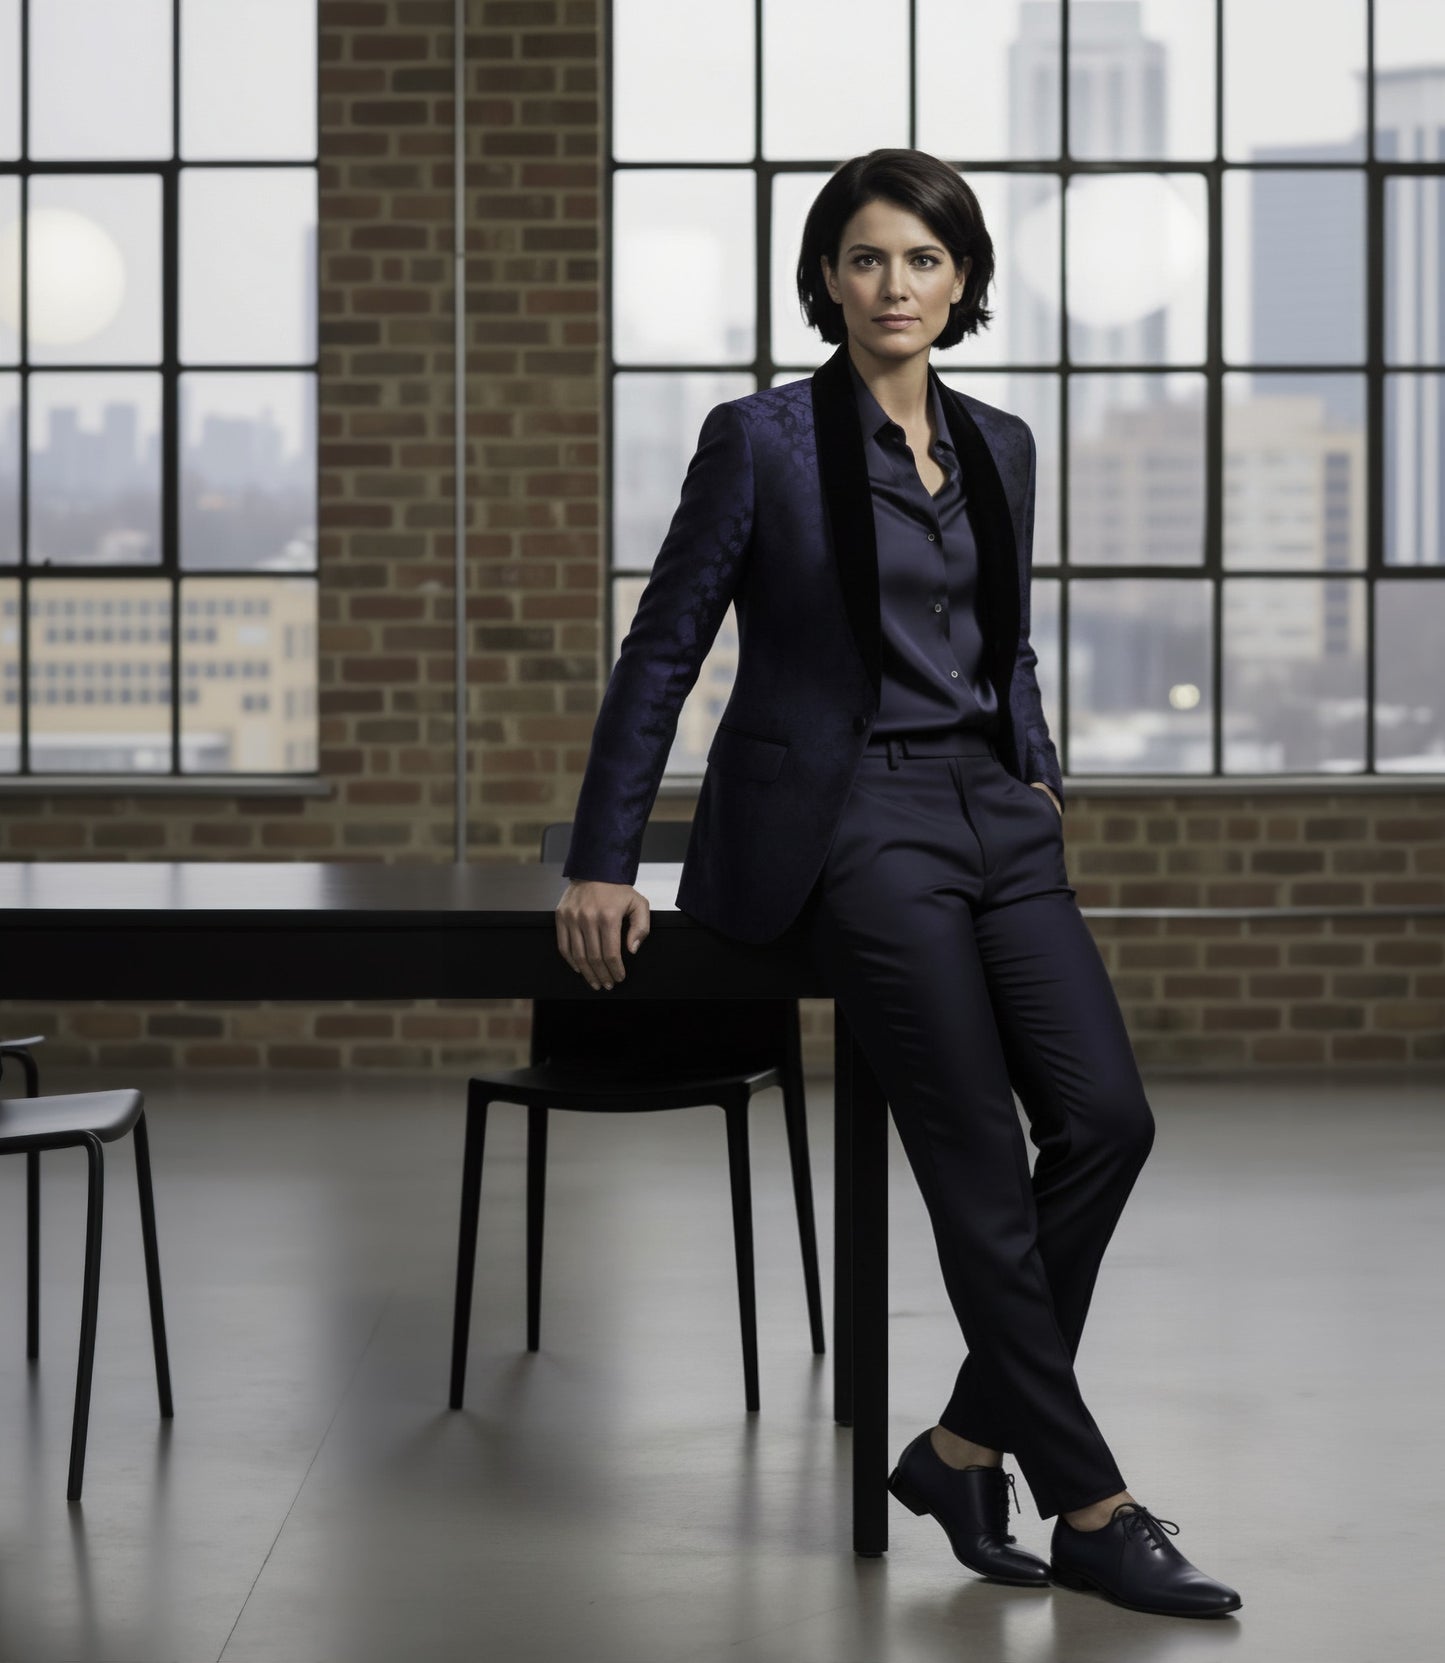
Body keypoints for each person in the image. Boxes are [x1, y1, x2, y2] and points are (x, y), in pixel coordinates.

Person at [555, 148, 1240, 1620]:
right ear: (823, 279)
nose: (893, 287)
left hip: (995, 815)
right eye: (865, 260)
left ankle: (955, 1447)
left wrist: (1039, 772)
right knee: (977, 1171)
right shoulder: (760, 443)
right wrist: (604, 858)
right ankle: (1093, 1507)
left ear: (963, 281)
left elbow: (1009, 645)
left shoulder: (1000, 443)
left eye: (921, 261)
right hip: (850, 822)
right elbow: (661, 650)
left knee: (1106, 1121)